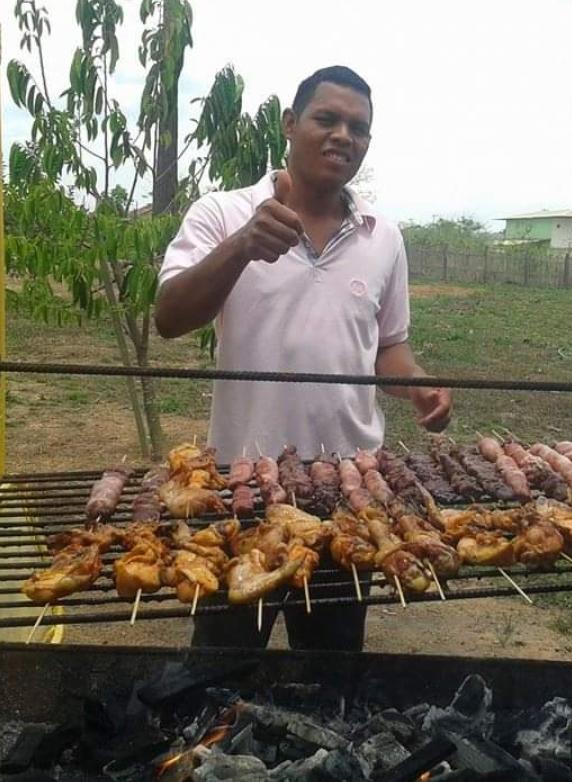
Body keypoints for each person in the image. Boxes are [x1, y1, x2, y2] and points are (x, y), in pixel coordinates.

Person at [155, 65, 452, 650]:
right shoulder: (222, 213)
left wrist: (418, 384)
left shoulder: (383, 237)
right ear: (290, 124)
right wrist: (241, 247)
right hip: (239, 490)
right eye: (327, 119)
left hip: (350, 494)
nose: (344, 136)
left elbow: (388, 348)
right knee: (221, 667)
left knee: (330, 670)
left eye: (359, 128)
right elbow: (169, 317)